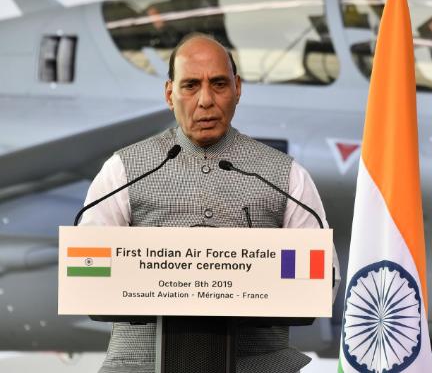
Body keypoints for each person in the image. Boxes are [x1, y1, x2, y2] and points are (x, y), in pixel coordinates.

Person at [80, 33, 339, 373]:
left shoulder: (285, 175)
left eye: (218, 84)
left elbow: (323, 276)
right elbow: (86, 268)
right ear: (169, 93)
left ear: (238, 89)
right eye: (190, 86)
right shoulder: (124, 170)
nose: (205, 100)